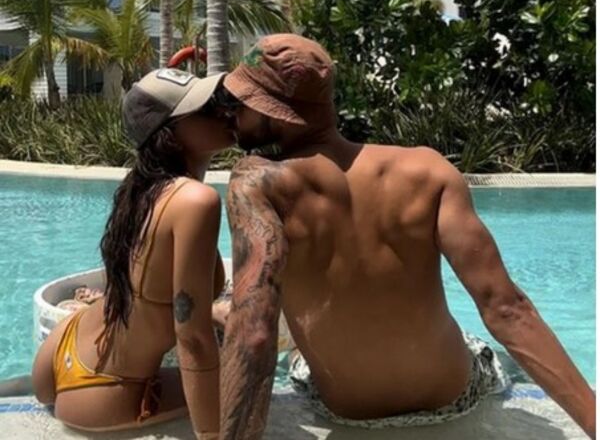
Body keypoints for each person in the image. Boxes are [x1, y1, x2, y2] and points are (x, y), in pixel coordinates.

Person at [217, 34, 596, 440]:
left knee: (254, 319)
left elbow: (254, 331)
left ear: (272, 110)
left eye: (239, 104)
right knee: (488, 353)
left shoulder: (256, 182)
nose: (231, 115)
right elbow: (507, 309)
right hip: (452, 395)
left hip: (347, 410)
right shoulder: (427, 170)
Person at [31, 68, 232, 439]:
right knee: (241, 382)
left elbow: (147, 286)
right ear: (171, 133)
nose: (223, 111)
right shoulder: (196, 200)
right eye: (206, 108)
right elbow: (192, 338)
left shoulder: (139, 187)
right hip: (103, 389)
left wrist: (211, 310)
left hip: (61, 350)